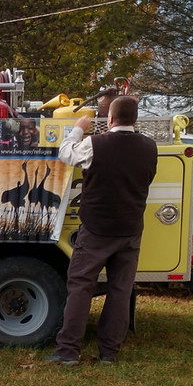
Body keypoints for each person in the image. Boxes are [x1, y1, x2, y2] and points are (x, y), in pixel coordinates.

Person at [46, 95, 157, 365]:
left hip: (96, 228)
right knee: (120, 290)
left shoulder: (95, 143)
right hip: (130, 229)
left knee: (81, 287)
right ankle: (109, 353)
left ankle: (68, 351)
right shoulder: (149, 147)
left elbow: (66, 155)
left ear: (109, 119)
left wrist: (78, 128)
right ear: (135, 119)